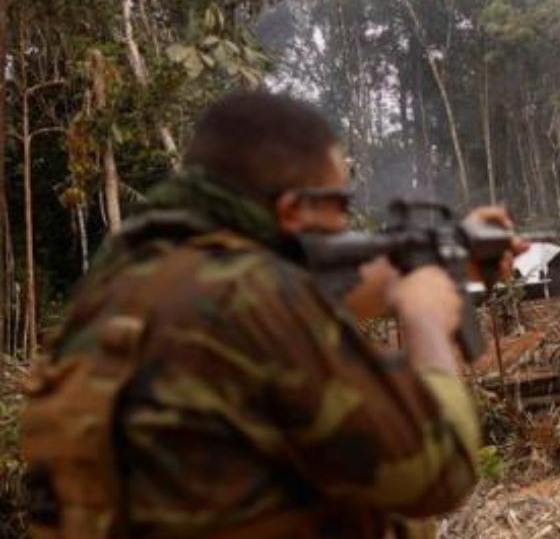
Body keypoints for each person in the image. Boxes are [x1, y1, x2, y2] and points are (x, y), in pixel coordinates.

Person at [22, 91, 510, 538]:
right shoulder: (253, 295)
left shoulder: (116, 290)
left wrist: (431, 256)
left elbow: (276, 320)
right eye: (340, 202)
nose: (346, 224)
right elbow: (441, 473)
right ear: (294, 209)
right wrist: (426, 319)